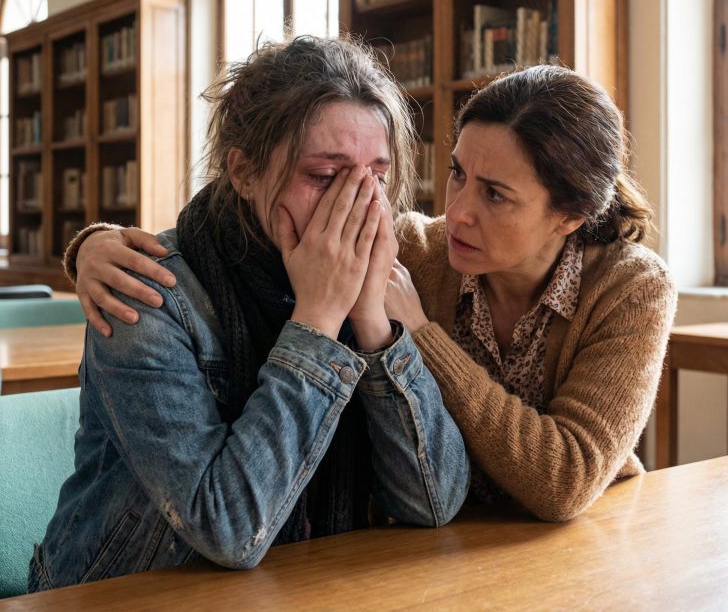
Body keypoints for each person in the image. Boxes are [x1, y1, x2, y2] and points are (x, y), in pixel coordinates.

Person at [67, 63, 677, 526]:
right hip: (436, 549)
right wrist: (90, 248)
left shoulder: (631, 287)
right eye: (457, 174)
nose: (457, 212)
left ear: (569, 215)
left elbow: (557, 482)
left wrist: (409, 334)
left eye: (495, 194)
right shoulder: (414, 247)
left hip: (556, 541)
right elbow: (214, 242)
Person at [29, 36, 470, 592]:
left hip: (301, 589)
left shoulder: (377, 285)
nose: (358, 205)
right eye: (325, 177)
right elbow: (229, 528)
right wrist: (317, 321)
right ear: (243, 171)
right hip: (123, 595)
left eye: (376, 178)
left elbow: (434, 502)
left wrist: (373, 327)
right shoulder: (143, 292)